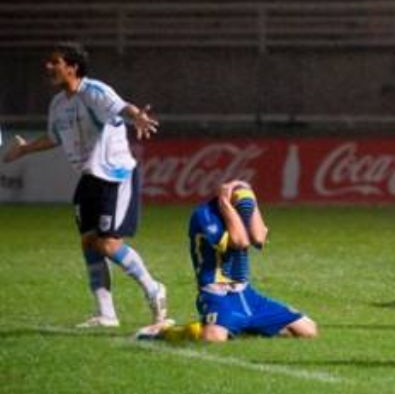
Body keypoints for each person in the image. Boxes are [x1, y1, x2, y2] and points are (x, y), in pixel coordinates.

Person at [2, 41, 167, 328]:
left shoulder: (94, 91)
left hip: (115, 175)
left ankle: (154, 289)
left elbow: (122, 107)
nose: (48, 67)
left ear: (72, 67)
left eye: (55, 62)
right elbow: (54, 138)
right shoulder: (58, 104)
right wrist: (25, 149)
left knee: (108, 244)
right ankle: (106, 313)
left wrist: (137, 117)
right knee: (89, 241)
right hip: (90, 177)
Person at [138, 180, 317, 341]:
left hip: (246, 293)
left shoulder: (240, 212)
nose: (244, 211)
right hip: (217, 294)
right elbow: (240, 241)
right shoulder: (204, 214)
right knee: (214, 338)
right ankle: (164, 331)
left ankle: (242, 326)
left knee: (308, 330)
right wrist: (225, 203)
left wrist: (252, 202)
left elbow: (259, 238)